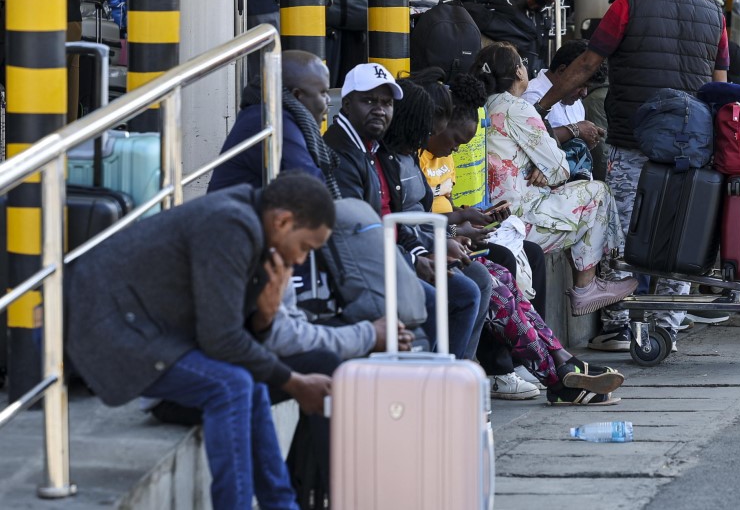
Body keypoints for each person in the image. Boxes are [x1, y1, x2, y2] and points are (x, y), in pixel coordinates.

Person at [66, 173, 336, 510]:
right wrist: (293, 382)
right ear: (283, 221)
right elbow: (221, 340)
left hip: (147, 331)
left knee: (246, 381)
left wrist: (264, 319)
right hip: (109, 331)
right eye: (305, 247)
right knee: (231, 385)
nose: (299, 260)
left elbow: (230, 336)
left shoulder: (249, 225)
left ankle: (280, 505)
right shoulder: (231, 225)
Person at [534, 0, 729, 351]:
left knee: (622, 229)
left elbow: (588, 61)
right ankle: (666, 327)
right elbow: (720, 84)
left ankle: (620, 324)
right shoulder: (715, 14)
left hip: (632, 138)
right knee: (681, 233)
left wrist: (544, 105)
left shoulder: (628, 4)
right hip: (689, 149)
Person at [390, 75, 627, 406]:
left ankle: (560, 361)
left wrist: (461, 222)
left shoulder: (409, 160)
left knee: (505, 273)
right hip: (419, 255)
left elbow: (429, 216)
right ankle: (554, 374)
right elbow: (405, 225)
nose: (456, 148)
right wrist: (451, 235)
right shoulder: (399, 164)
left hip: (439, 244)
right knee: (491, 279)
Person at [323, 63, 491, 360]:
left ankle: (454, 378)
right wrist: (418, 257)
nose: (379, 110)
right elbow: (361, 232)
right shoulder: (344, 154)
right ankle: (432, 386)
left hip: (397, 251)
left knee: (480, 280)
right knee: (451, 296)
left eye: (386, 103)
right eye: (369, 101)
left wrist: (432, 245)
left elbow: (396, 220)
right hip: (360, 267)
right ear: (347, 104)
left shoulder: (370, 150)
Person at [473, 42, 634, 318]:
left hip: (492, 214)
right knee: (598, 192)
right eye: (522, 64)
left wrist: (542, 165)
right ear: (518, 73)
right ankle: (586, 287)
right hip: (520, 218)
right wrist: (546, 166)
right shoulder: (517, 108)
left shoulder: (483, 105)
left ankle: (594, 283)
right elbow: (559, 168)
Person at [209, 50, 337, 195]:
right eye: (323, 92)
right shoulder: (270, 121)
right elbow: (313, 189)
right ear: (297, 95)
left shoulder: (264, 114)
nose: (328, 100)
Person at [521, 39, 606, 140]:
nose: (584, 93)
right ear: (562, 70)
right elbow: (527, 137)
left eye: (587, 87)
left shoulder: (576, 103)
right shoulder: (530, 96)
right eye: (580, 85)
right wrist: (573, 130)